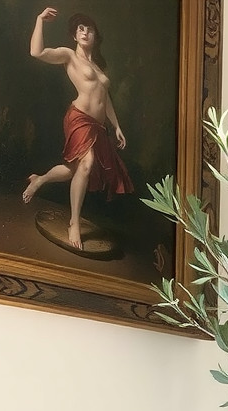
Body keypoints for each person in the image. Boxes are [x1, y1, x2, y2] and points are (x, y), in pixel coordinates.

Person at [22, 8, 133, 249]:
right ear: (74, 35)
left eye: (89, 29)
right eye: (80, 29)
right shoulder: (69, 56)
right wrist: (40, 20)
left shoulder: (99, 68)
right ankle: (74, 222)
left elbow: (105, 98)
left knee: (75, 170)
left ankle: (40, 180)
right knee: (87, 162)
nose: (84, 32)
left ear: (95, 35)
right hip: (79, 118)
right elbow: (36, 52)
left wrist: (116, 126)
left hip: (97, 125)